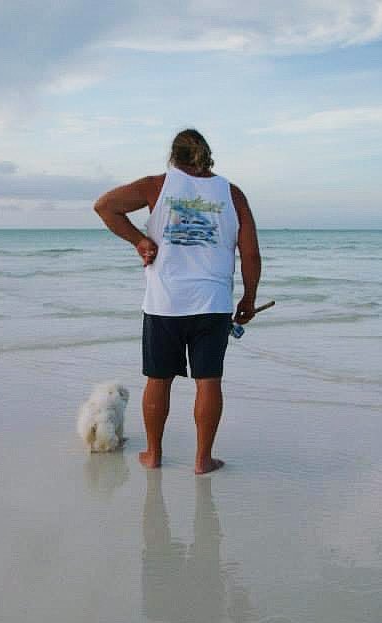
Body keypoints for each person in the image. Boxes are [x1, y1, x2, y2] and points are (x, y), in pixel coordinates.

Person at [94, 129, 261, 474]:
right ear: (207, 155)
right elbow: (250, 251)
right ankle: (203, 460)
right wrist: (249, 296)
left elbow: (105, 207)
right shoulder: (232, 194)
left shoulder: (158, 185)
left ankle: (153, 455)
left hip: (164, 302)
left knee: (158, 379)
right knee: (209, 380)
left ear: (174, 156)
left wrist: (139, 241)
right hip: (213, 302)